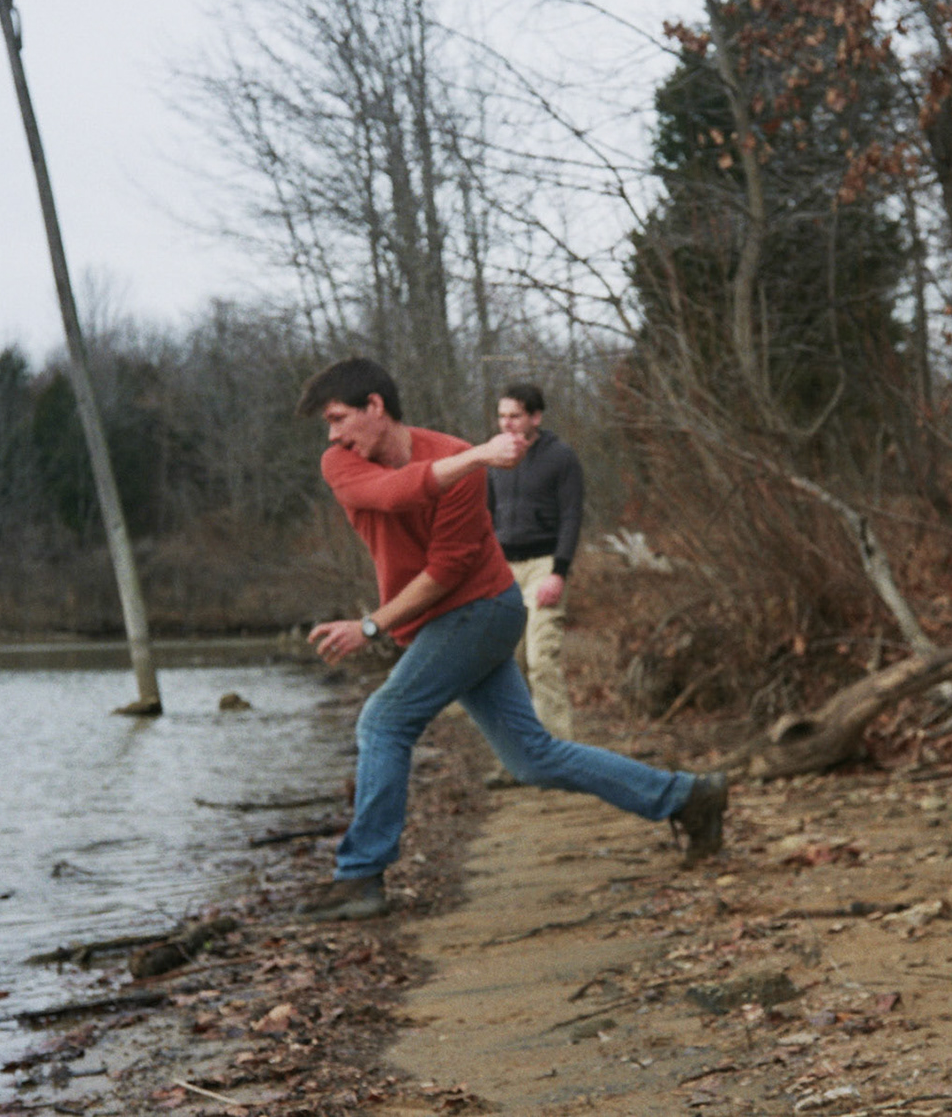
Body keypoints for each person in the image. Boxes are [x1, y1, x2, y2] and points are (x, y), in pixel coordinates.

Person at [292, 357, 727, 922]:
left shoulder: (460, 462)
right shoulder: (344, 462)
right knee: (532, 759)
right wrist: (475, 455)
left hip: (483, 611)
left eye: (339, 417)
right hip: (444, 622)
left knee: (383, 721)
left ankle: (360, 878)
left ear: (375, 406)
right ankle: (689, 797)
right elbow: (396, 496)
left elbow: (446, 573)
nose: (333, 435)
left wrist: (370, 625)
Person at [488, 383, 585, 742]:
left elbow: (572, 517)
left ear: (535, 417)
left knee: (541, 659)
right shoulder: (494, 459)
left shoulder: (560, 457)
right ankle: (520, 752)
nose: (506, 424)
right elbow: (486, 517)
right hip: (502, 572)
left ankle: (559, 749)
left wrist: (558, 573)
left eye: (515, 416)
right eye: (501, 416)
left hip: (545, 565)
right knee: (507, 664)